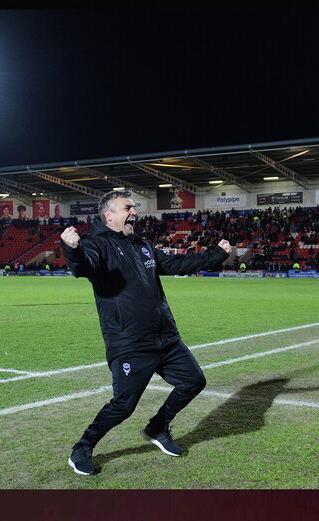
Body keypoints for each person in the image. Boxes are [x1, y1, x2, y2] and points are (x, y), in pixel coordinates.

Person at [60, 189, 232, 476]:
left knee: (194, 381)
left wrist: (216, 254)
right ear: (109, 214)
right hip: (130, 342)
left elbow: (177, 264)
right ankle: (83, 448)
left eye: (134, 208)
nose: (135, 212)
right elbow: (82, 267)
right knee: (123, 406)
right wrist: (71, 249)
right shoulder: (95, 245)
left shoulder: (142, 245)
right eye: (129, 207)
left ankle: (157, 427)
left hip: (165, 337)